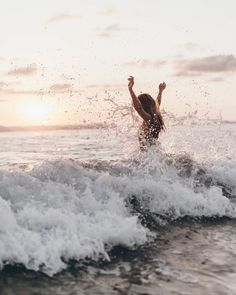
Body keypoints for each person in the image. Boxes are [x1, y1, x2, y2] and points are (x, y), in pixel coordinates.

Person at [128, 76, 166, 149]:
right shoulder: (155, 116)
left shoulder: (148, 118)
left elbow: (138, 108)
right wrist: (160, 91)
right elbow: (158, 102)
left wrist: (130, 90)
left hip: (147, 156)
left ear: (143, 105)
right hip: (154, 153)